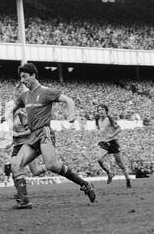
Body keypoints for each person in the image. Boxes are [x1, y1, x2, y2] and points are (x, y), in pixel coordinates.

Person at [10, 62, 96, 209]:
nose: (22, 80)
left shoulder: (45, 92)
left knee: (52, 165)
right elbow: (15, 107)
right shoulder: (24, 95)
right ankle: (24, 201)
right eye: (20, 78)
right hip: (32, 136)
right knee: (15, 165)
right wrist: (6, 116)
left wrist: (71, 114)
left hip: (45, 132)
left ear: (33, 75)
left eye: (24, 77)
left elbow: (68, 100)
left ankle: (85, 184)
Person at [95, 104, 132, 188]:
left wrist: (112, 135)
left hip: (113, 143)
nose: (100, 111)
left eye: (102, 109)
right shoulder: (97, 120)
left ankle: (128, 180)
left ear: (106, 111)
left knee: (120, 164)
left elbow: (119, 129)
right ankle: (110, 173)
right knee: (99, 159)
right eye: (99, 110)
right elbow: (100, 130)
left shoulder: (110, 119)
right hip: (105, 143)